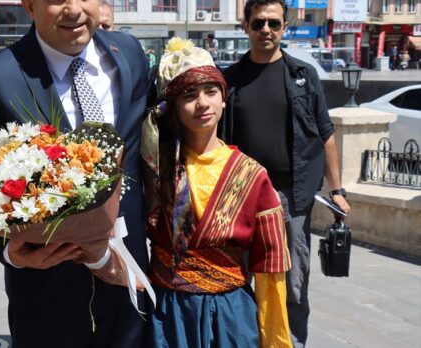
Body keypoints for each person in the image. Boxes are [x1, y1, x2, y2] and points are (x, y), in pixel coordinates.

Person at [0, 0, 151, 345]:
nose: (74, 10)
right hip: (48, 299)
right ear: (29, 5)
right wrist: (10, 252)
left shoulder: (131, 55)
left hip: (128, 292)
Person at [142, 37, 292, 348]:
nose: (203, 103)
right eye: (188, 95)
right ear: (172, 106)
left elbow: (270, 265)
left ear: (224, 99)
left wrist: (275, 340)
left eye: (211, 91)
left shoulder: (252, 175)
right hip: (168, 311)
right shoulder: (155, 167)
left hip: (228, 315)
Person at [218, 0, 351, 346]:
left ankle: (292, 342)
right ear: (246, 25)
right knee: (239, 277)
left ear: (284, 28)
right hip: (241, 196)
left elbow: (326, 135)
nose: (266, 30)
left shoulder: (303, 76)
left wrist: (337, 191)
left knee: (293, 281)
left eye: (274, 24)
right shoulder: (229, 80)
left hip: (292, 195)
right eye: (259, 23)